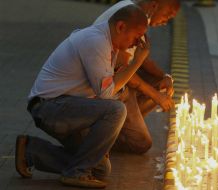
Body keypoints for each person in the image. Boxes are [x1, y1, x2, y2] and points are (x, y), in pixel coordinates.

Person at [15, 5, 149, 188]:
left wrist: (100, 139)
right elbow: (106, 94)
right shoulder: (96, 41)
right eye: (136, 37)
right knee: (117, 110)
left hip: (67, 106)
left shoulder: (109, 43)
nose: (136, 43)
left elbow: (102, 93)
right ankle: (76, 173)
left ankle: (31, 150)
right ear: (120, 27)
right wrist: (137, 61)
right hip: (49, 107)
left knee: (100, 169)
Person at [94, 0, 180, 154]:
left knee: (162, 85)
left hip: (118, 81)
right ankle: (98, 139)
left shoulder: (139, 15)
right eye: (167, 15)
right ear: (154, 5)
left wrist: (166, 76)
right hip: (109, 86)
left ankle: (125, 124)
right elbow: (122, 67)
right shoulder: (129, 17)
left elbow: (142, 59)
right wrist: (155, 95)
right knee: (141, 143)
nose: (166, 21)